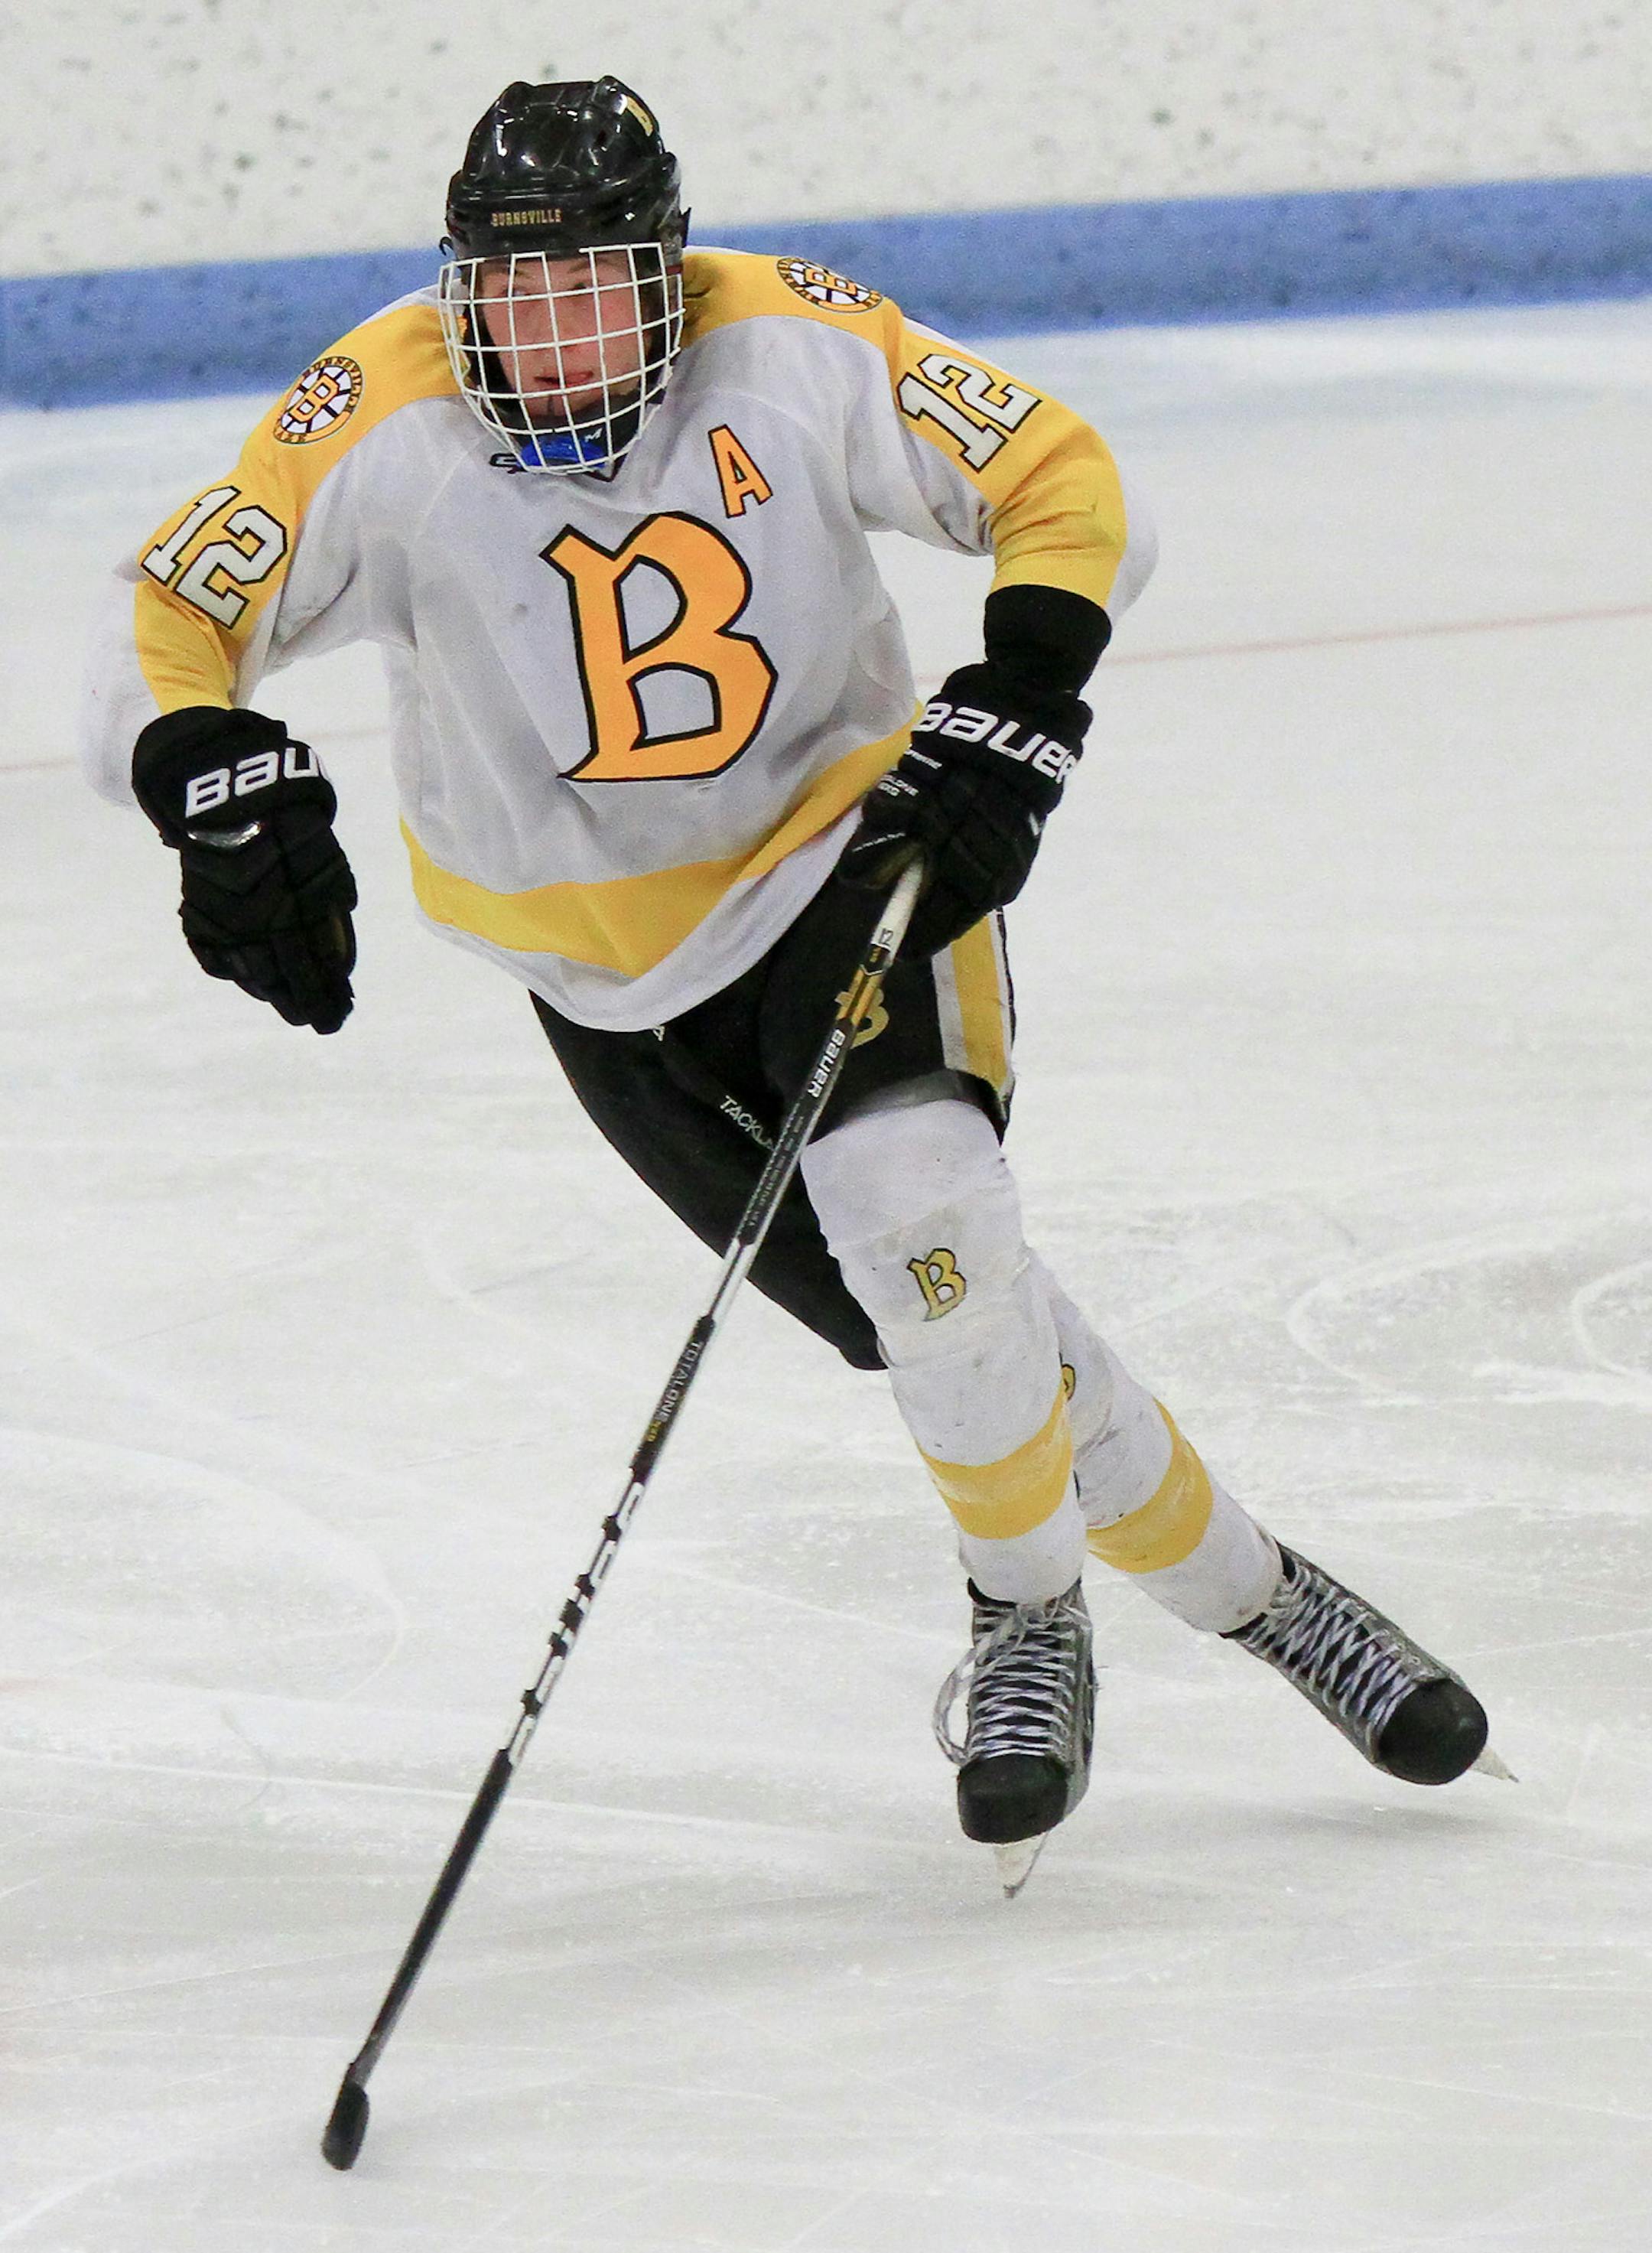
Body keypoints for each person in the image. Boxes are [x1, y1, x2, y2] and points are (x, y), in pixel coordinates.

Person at [81, 77, 1494, 1889]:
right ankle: (1277, 1602)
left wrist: (1026, 706)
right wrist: (209, 782)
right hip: (599, 987)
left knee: (929, 1225)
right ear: (459, 291)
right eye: (518, 297)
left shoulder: (799, 338)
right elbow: (166, 613)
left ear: (670, 276)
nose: (558, 335)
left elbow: (1058, 476)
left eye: (598, 288)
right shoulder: (376, 407)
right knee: (969, 1327)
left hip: (858, 870)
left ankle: (1023, 1624)